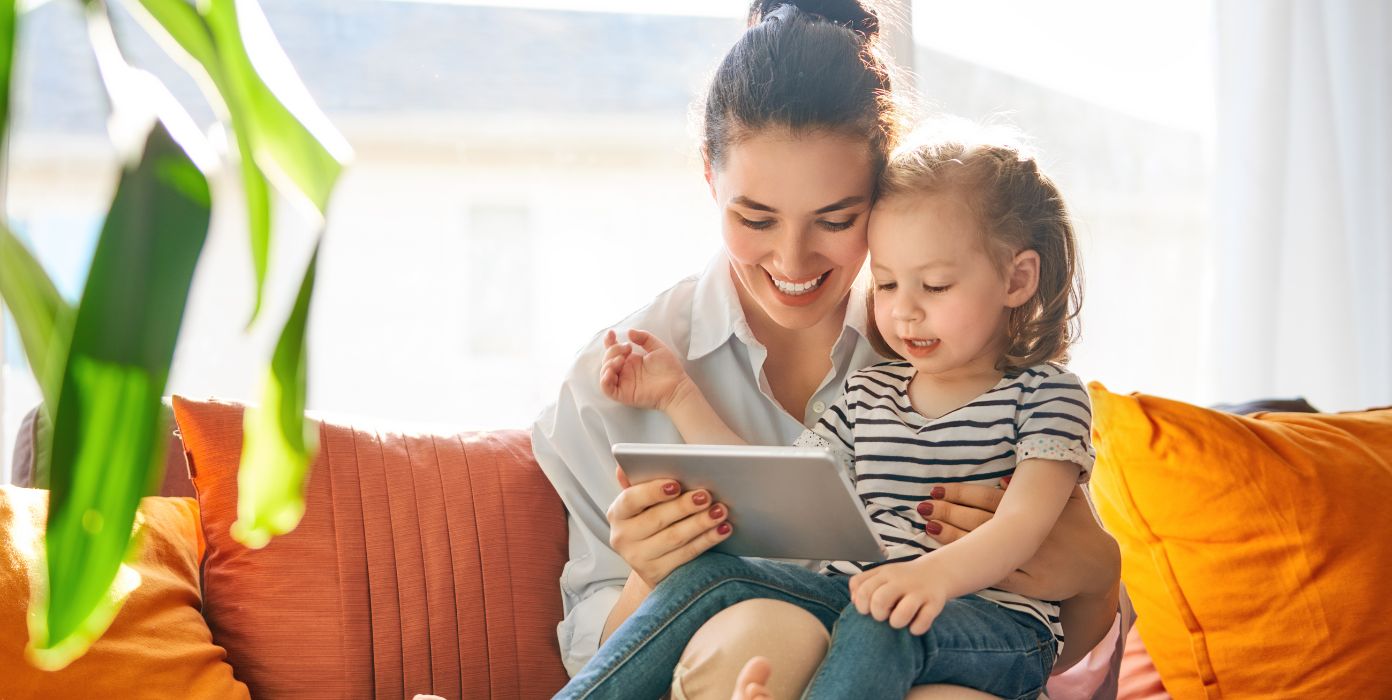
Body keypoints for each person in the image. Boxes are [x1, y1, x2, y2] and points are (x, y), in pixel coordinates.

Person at [532, 2, 1122, 697]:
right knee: (758, 627)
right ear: (709, 178)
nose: (792, 258)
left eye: (838, 219)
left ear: (883, 191)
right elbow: (778, 483)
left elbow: (1062, 642)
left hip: (945, 646)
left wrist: (1097, 573)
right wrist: (652, 567)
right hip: (766, 645)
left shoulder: (955, 351)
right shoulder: (618, 379)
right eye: (755, 217)